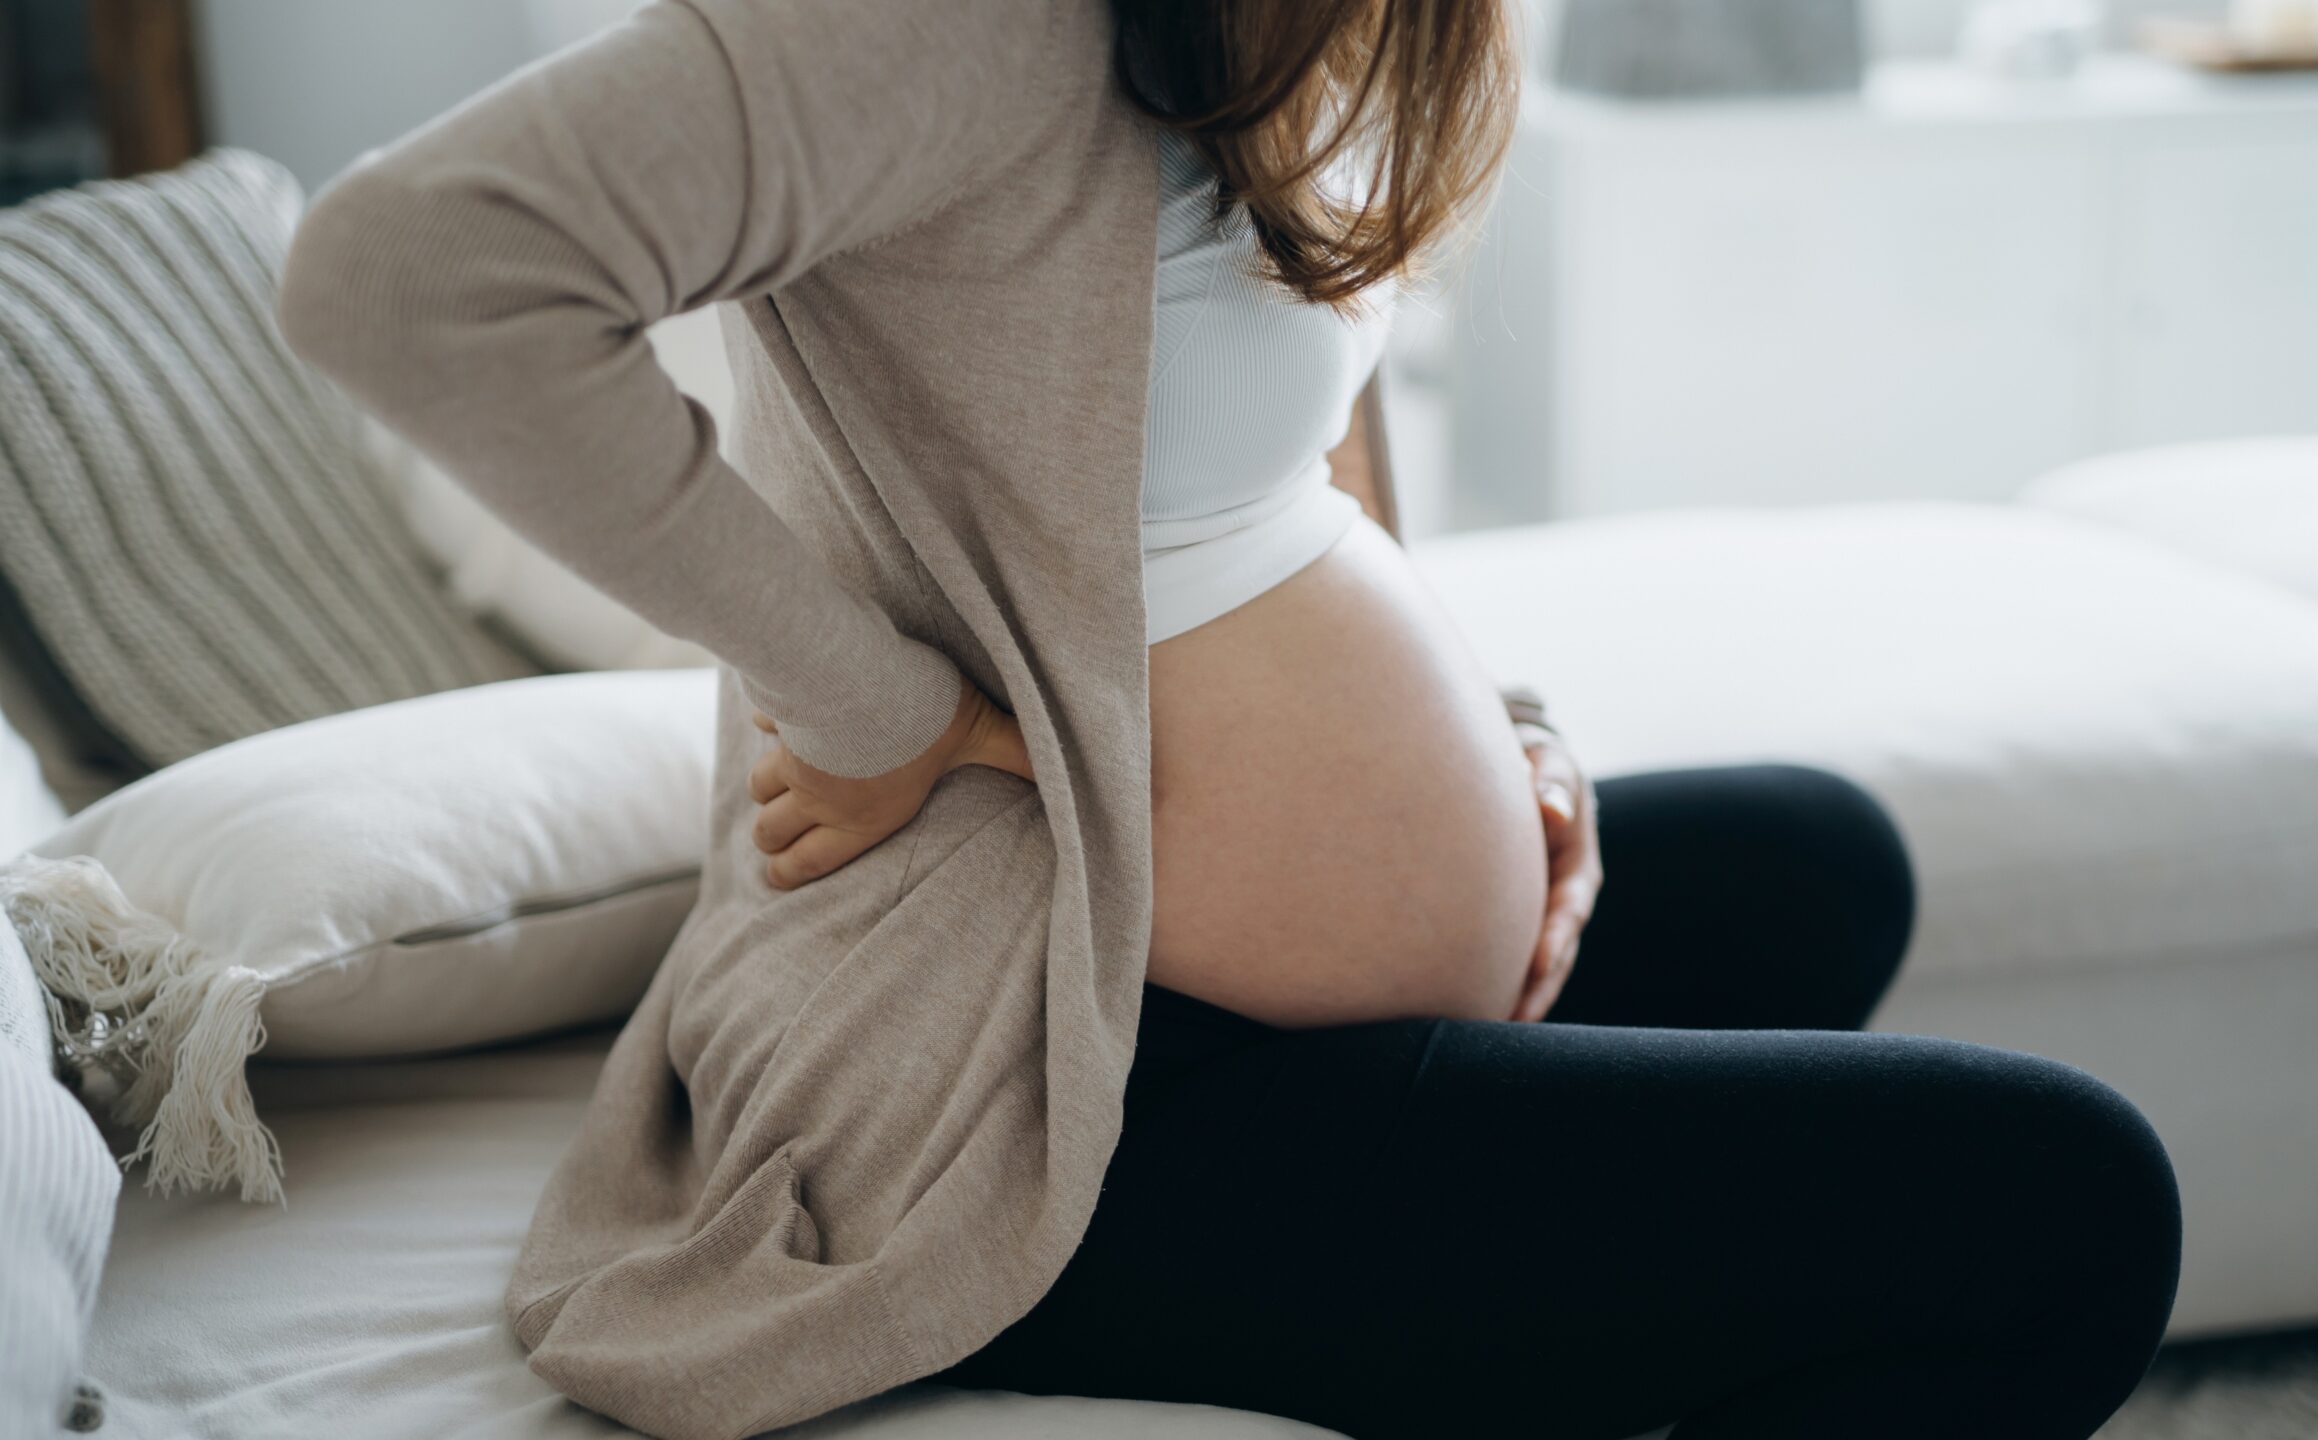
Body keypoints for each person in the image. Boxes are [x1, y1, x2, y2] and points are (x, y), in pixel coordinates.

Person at [279, 0, 2181, 1435]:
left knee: (1816, 859)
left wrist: (1501, 744)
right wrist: (872, 708)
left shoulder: (1294, 15)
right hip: (1044, 1078)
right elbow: (409, 277)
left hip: (1230, 968)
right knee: (2067, 1204)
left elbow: (1285, 466)